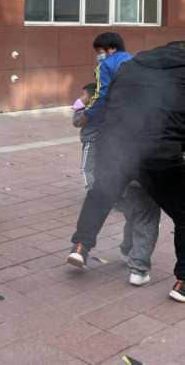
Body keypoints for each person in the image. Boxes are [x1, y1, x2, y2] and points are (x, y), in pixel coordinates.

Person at [66, 41, 185, 303]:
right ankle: (182, 282)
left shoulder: (133, 65)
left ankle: (81, 245)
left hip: (116, 145)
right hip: (159, 152)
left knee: (100, 195)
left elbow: (111, 104)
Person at [72, 82, 161, 286]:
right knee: (145, 215)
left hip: (119, 170)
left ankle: (95, 248)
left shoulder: (116, 104)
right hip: (148, 171)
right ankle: (138, 268)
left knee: (132, 212)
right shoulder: (160, 106)